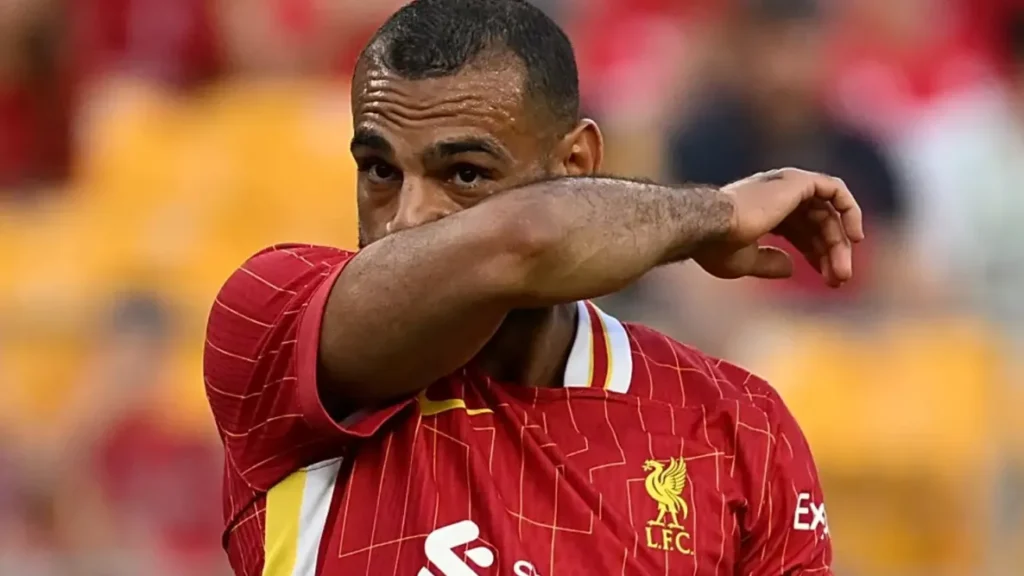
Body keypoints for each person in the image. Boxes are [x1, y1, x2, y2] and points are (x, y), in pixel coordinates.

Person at [203, 1, 863, 575]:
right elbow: (527, 238)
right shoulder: (270, 325)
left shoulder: (735, 425)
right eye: (379, 170)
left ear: (576, 164)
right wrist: (713, 213)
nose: (406, 217)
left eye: (464, 174)